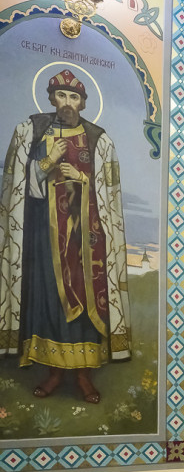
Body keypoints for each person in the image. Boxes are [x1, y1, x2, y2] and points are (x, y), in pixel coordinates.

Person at [0, 69, 131, 403]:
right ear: (51, 98)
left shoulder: (98, 140)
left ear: (83, 103)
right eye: (61, 95)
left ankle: (84, 376)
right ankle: (55, 372)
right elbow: (21, 185)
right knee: (49, 300)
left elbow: (109, 195)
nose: (68, 103)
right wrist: (48, 161)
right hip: (45, 237)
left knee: (86, 302)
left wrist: (82, 179)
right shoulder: (33, 131)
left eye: (74, 97)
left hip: (85, 241)